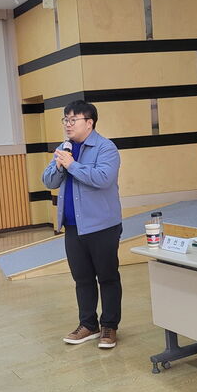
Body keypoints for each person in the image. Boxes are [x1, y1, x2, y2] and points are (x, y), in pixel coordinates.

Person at [42, 100, 123, 349]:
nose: (68, 124)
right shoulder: (63, 149)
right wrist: (59, 165)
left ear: (89, 123)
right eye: (65, 119)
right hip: (73, 226)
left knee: (107, 277)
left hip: (102, 226)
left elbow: (103, 178)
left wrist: (71, 165)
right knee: (82, 278)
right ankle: (88, 324)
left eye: (73, 119)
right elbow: (48, 181)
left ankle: (109, 326)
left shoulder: (105, 148)